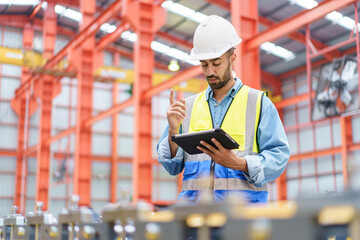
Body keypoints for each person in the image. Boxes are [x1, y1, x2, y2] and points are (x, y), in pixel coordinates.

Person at [157, 15, 290, 203]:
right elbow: (172, 167)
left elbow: (279, 156)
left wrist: (240, 163)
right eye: (204, 64)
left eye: (216, 63)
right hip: (196, 218)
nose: (210, 71)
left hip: (242, 218)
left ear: (232, 57)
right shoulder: (187, 108)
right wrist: (172, 130)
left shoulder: (258, 103)